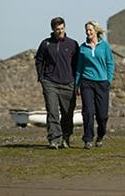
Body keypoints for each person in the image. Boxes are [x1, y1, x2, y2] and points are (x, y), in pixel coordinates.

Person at [35, 17, 79, 149]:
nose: (60, 31)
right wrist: (41, 78)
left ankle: (65, 137)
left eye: (62, 28)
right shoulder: (45, 44)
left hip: (68, 83)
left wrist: (77, 83)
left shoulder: (72, 44)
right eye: (57, 29)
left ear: (64, 27)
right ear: (53, 29)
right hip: (50, 83)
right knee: (52, 111)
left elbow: (77, 64)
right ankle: (54, 139)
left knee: (67, 113)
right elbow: (39, 60)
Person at [75, 21, 114, 149]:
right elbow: (79, 68)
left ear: (96, 30)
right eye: (86, 30)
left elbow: (110, 64)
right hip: (87, 82)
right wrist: (77, 84)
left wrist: (109, 80)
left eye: (90, 30)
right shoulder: (82, 48)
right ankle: (88, 139)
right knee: (88, 112)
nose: (88, 32)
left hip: (102, 83)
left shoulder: (104, 46)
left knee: (102, 115)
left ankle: (101, 135)